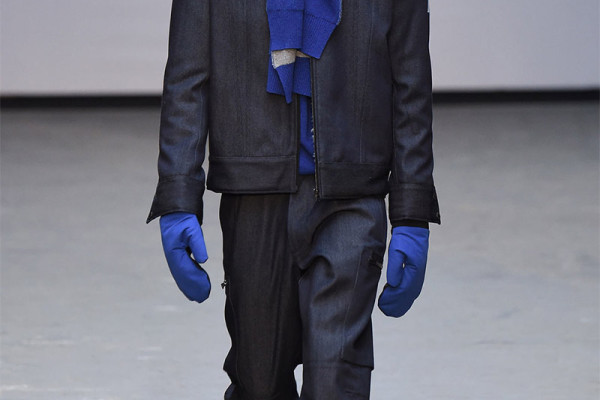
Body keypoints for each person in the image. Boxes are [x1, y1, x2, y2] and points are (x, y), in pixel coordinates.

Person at [147, 0, 440, 398]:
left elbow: (411, 82)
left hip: (352, 191)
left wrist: (412, 213)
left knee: (337, 380)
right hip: (254, 191)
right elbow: (187, 76)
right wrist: (178, 197)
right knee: (260, 383)